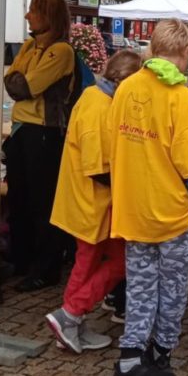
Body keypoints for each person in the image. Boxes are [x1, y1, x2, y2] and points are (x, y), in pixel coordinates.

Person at [109, 19, 188, 376]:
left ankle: (130, 357)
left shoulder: (126, 88)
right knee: (172, 286)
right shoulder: (183, 98)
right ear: (187, 51)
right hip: (173, 213)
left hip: (135, 207)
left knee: (140, 285)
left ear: (153, 47)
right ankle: (160, 352)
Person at [45, 49, 143, 353]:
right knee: (110, 262)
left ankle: (70, 322)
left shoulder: (95, 97)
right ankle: (71, 313)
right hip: (90, 204)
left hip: (93, 204)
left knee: (90, 265)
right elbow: (98, 169)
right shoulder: (99, 108)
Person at [3, 0, 76, 291]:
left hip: (44, 133)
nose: (27, 16)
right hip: (21, 129)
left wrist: (21, 78)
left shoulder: (61, 51)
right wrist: (21, 77)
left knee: (42, 202)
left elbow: (24, 87)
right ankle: (21, 259)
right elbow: (10, 81)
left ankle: (46, 268)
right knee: (18, 198)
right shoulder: (30, 45)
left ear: (48, 16)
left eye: (32, 11)